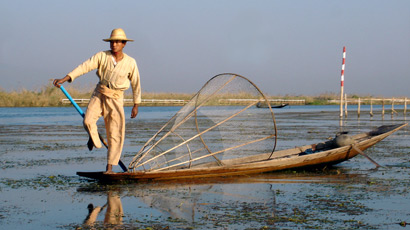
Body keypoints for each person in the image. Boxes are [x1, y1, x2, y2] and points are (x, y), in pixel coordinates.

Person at [53, 28, 141, 174]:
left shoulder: (131, 62)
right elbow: (84, 67)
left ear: (124, 44)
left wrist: (136, 105)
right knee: (88, 121)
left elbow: (136, 84)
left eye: (118, 42)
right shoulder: (101, 56)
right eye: (112, 42)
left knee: (115, 133)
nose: (114, 44)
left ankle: (109, 168)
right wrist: (65, 78)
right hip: (100, 93)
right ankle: (94, 139)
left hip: (116, 98)